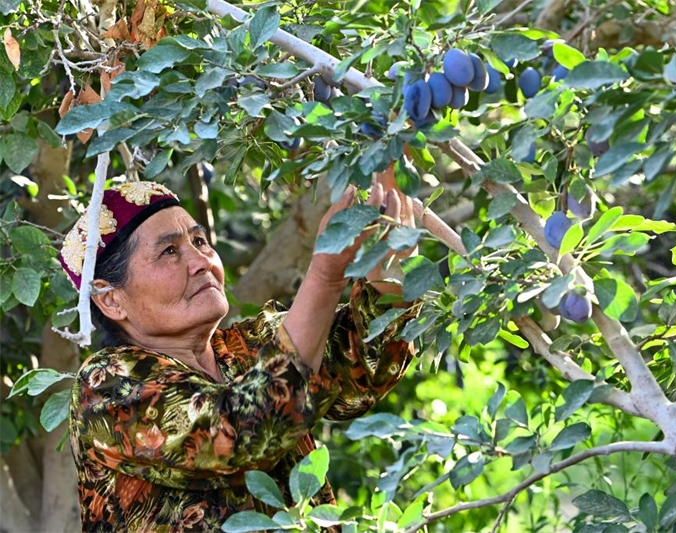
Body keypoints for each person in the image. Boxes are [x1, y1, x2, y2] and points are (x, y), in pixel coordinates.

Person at [60, 178, 419, 532]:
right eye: (169, 251)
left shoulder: (246, 348)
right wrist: (324, 276)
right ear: (111, 300)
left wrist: (386, 250)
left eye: (199, 241)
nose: (201, 260)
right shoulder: (107, 385)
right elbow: (242, 432)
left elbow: (363, 365)